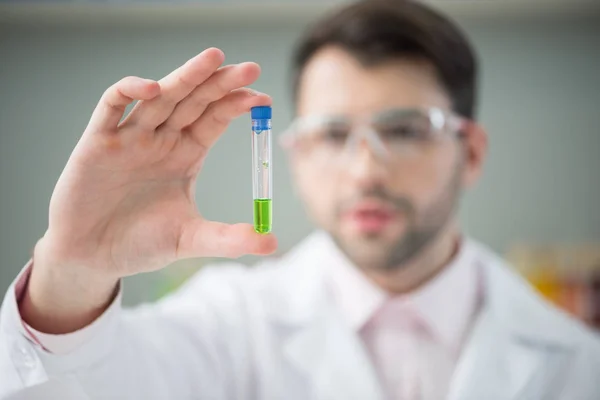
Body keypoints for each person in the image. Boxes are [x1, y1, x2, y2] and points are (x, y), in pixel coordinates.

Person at [1, 0, 599, 399]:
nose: (365, 170)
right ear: (292, 154)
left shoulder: (578, 362)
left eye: (404, 130)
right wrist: (73, 271)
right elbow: (75, 384)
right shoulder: (227, 323)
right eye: (332, 135)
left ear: (470, 152)